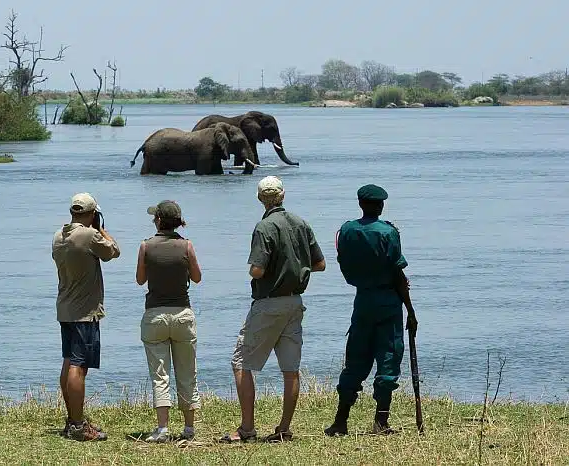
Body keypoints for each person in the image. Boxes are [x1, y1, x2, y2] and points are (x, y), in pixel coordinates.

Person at [221, 175, 326, 443]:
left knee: (241, 363)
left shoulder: (264, 227)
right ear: (283, 195)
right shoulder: (301, 223)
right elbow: (320, 264)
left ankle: (247, 428)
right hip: (294, 303)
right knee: (290, 368)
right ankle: (284, 428)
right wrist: (297, 268)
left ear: (260, 198)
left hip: (269, 304)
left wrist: (258, 272)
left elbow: (257, 270)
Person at [325, 184, 417, 437]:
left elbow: (343, 262)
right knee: (388, 358)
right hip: (388, 301)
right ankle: (380, 422)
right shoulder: (388, 232)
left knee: (355, 359)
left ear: (360, 204)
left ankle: (340, 421)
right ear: (380, 205)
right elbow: (398, 274)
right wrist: (410, 309)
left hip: (362, 300)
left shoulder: (346, 230)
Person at [52, 192, 121, 441]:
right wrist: (101, 229)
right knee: (79, 367)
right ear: (92, 213)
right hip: (84, 311)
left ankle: (73, 420)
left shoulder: (59, 236)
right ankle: (79, 426)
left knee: (69, 361)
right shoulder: (90, 235)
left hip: (65, 307)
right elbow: (114, 251)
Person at [135, 200, 202, 443]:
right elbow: (197, 277)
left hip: (155, 314)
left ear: (159, 221)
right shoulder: (187, 246)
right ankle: (188, 428)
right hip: (183, 313)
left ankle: (162, 428)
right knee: (187, 372)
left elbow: (140, 279)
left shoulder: (145, 246)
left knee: (160, 374)